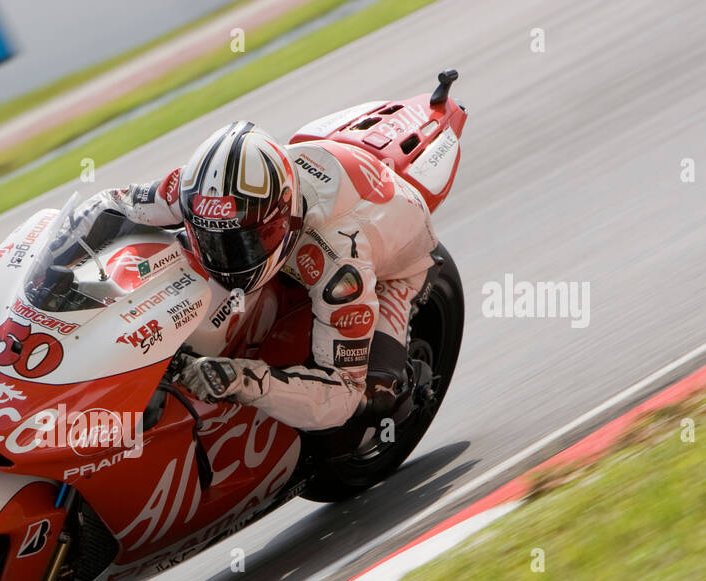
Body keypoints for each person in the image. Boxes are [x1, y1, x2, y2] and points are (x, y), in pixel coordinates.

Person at [71, 121, 439, 430]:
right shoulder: (200, 192)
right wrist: (59, 257)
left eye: (245, 242)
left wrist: (240, 378)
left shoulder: (340, 263)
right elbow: (111, 204)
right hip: (318, 169)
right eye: (211, 237)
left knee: (370, 401)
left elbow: (342, 393)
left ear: (283, 218)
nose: (226, 256)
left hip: (396, 266)